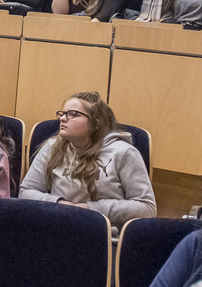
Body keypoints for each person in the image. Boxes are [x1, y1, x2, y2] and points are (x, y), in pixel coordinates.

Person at [19, 91, 155, 227]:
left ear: (95, 123)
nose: (63, 119)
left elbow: (147, 207)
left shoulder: (124, 153)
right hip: (57, 226)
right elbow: (26, 191)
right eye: (62, 113)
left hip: (103, 233)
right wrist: (59, 204)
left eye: (73, 114)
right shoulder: (52, 147)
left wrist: (92, 209)